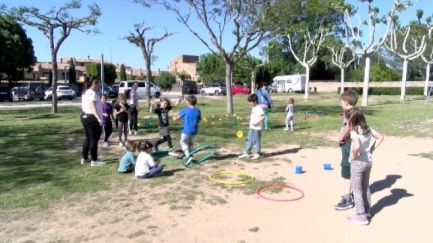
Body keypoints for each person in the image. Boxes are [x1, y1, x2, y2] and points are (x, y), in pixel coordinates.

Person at [345, 107, 384, 225]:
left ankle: (361, 215)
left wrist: (354, 155)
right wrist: (371, 150)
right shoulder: (368, 129)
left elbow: (356, 146)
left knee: (356, 189)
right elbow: (381, 137)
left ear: (352, 120)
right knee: (365, 187)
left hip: (357, 163)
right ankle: (367, 211)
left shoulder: (354, 132)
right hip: (368, 162)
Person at [335, 89, 358, 210]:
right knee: (351, 170)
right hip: (352, 145)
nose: (341, 104)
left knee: (347, 172)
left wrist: (341, 138)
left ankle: (347, 198)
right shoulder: (357, 112)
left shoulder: (349, 113)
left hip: (348, 145)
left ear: (346, 102)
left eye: (341, 102)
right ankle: (351, 193)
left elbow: (348, 127)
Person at [80, 76, 106, 166]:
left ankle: (84, 158)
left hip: (85, 116)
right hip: (91, 117)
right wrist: (99, 119)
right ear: (95, 83)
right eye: (99, 83)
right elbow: (93, 107)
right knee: (93, 139)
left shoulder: (86, 92)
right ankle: (94, 160)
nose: (100, 85)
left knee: (88, 138)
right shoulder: (92, 93)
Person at [173, 95, 201, 165]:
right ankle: (191, 152)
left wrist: (174, 117)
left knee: (183, 143)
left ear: (188, 102)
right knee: (190, 141)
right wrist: (184, 122)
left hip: (186, 131)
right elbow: (198, 121)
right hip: (194, 130)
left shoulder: (185, 110)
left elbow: (176, 118)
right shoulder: (198, 111)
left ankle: (188, 156)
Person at [238, 94, 265, 160]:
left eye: (250, 102)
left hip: (257, 128)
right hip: (252, 127)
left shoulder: (259, 108)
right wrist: (249, 118)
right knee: (249, 140)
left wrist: (257, 122)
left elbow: (263, 117)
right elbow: (254, 115)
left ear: (255, 101)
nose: (249, 103)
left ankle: (257, 153)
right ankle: (247, 153)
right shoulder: (253, 108)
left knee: (256, 141)